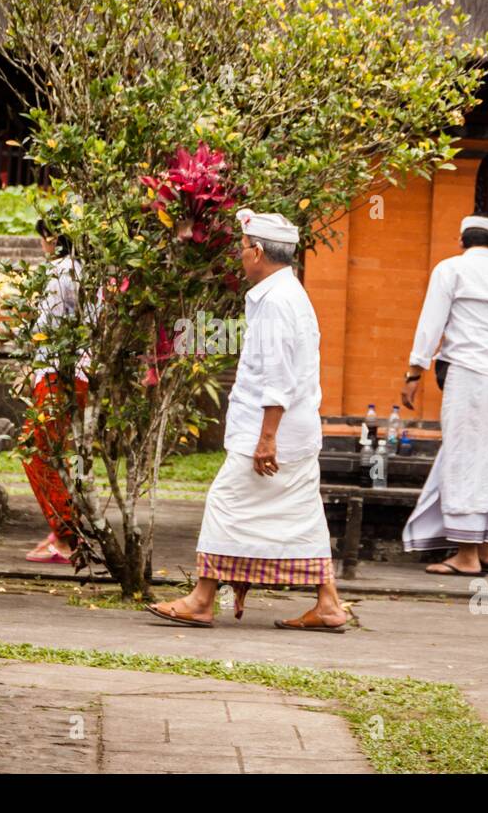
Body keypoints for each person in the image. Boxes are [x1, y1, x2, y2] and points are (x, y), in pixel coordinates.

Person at [147, 209, 351, 631]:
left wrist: (267, 438)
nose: (240, 257)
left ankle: (202, 599)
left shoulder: (277, 301)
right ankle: (328, 602)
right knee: (302, 513)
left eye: (242, 249)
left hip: (274, 432)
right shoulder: (285, 294)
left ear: (257, 252)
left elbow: (278, 376)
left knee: (226, 503)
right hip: (291, 431)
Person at [399, 215, 488, 574]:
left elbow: (431, 323)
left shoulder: (450, 270)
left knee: (464, 456)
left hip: (468, 374)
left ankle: (466, 557)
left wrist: (414, 371)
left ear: (461, 240)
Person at [22, 218, 88, 564]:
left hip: (58, 371)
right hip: (80, 373)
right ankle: (66, 527)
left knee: (36, 449)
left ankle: (66, 534)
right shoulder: (91, 271)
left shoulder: (61, 270)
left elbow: (47, 326)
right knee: (63, 452)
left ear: (51, 237)